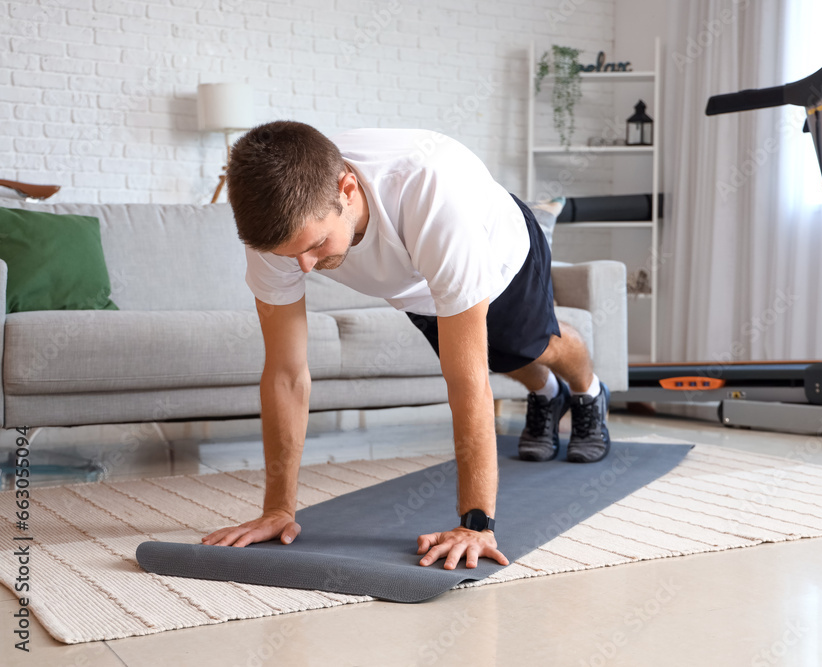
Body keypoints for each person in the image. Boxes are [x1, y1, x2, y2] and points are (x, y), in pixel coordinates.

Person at [201, 121, 611, 570]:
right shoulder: (275, 229)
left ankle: (589, 393)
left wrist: (475, 523)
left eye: (317, 245)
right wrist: (277, 510)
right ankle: (547, 397)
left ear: (347, 188)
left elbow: (464, 378)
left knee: (529, 347)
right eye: (289, 255)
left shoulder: (430, 194)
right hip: (418, 278)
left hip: (501, 251)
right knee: (502, 358)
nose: (304, 266)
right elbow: (285, 372)